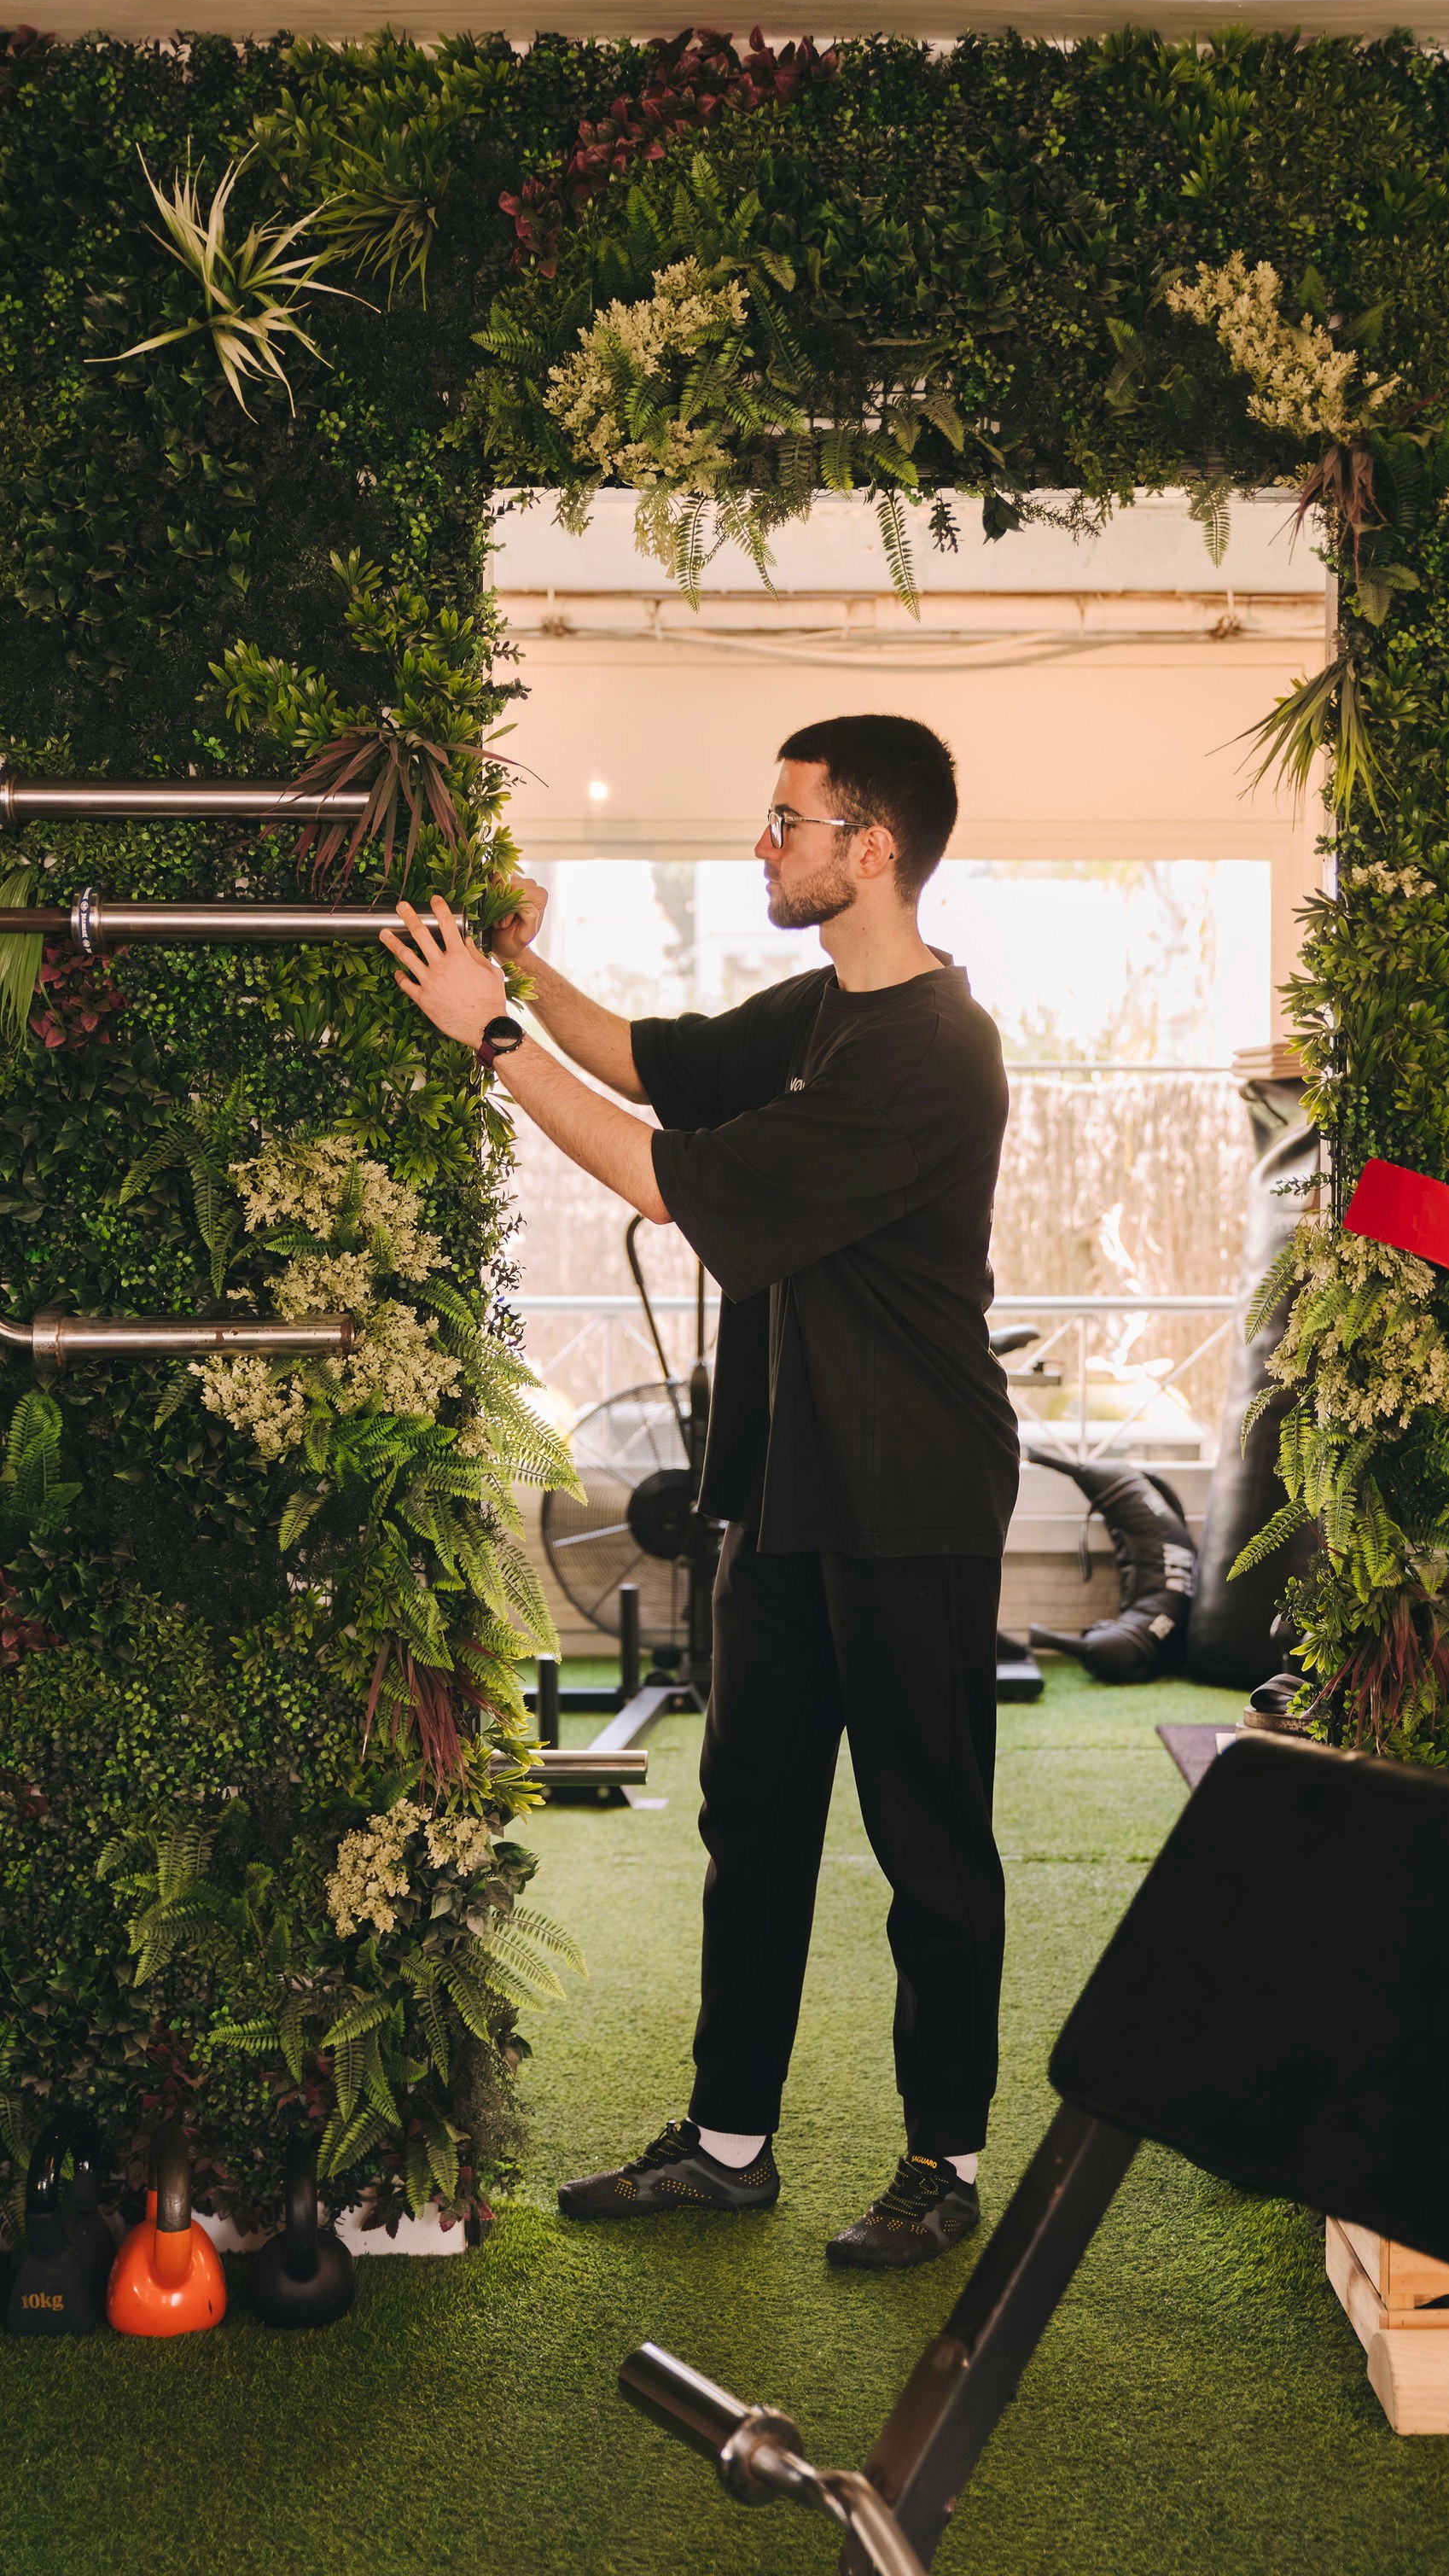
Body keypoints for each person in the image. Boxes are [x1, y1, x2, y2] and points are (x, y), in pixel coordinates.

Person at [381, 712, 1018, 2269]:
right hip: (788, 1491)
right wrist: (521, 974)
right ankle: (731, 2142)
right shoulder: (821, 1013)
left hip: (914, 1494)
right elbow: (660, 1067)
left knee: (930, 1840)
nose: (766, 841)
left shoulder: (936, 1049)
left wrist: (487, 1037)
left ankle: (945, 2161)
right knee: (756, 1819)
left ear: (869, 849)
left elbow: (679, 1181)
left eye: (789, 821)